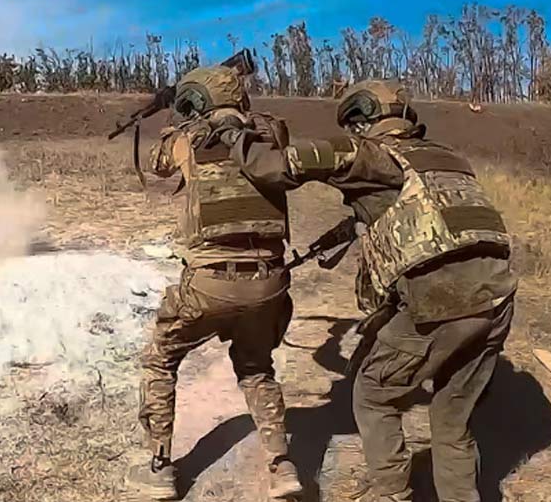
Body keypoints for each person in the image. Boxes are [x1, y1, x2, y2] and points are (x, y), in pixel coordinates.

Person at [214, 79, 518, 502]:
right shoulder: (448, 158)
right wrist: (345, 231)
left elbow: (272, 167)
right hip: (499, 300)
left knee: (373, 393)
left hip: (441, 301)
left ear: (360, 120)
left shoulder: (361, 151)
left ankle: (391, 492)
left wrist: (232, 131)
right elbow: (419, 211)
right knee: (452, 421)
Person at [125, 65, 303, 501]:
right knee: (257, 367)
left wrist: (177, 114)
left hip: (208, 282)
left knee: (160, 359)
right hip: (269, 282)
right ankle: (282, 466)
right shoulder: (269, 135)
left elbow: (157, 164)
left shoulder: (186, 139)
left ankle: (159, 467)